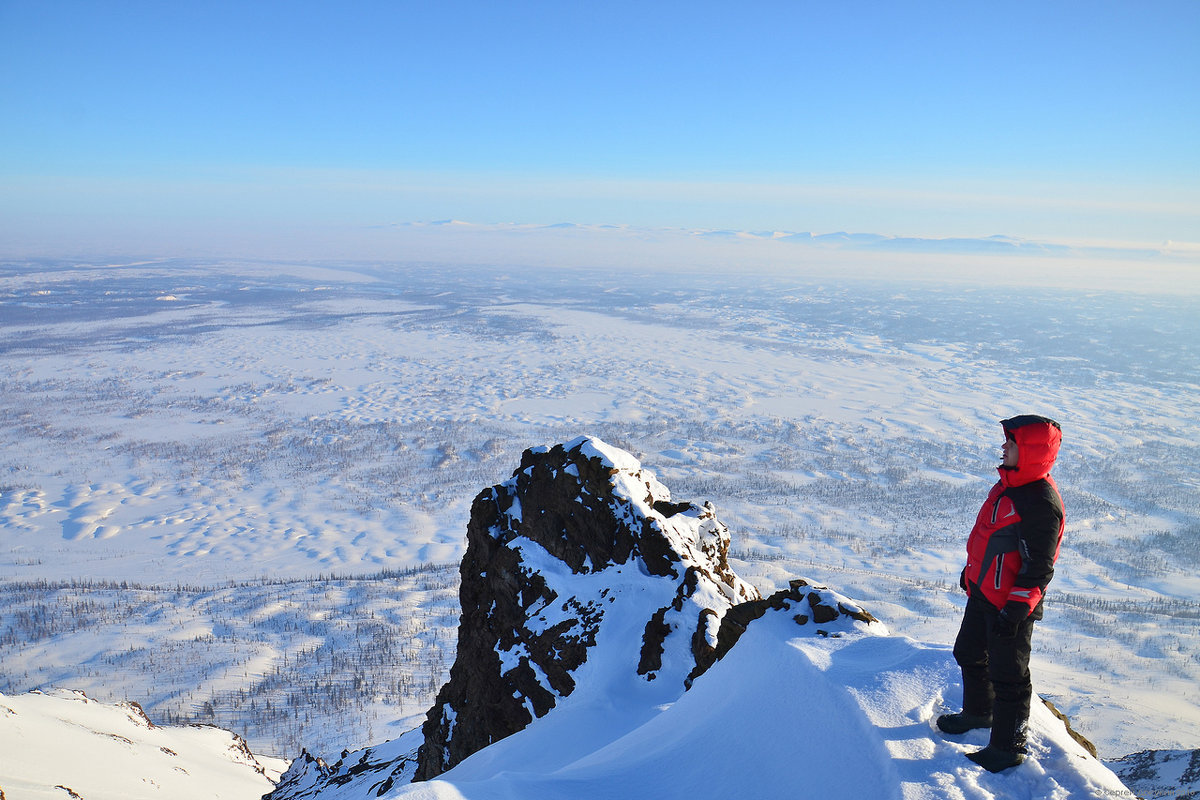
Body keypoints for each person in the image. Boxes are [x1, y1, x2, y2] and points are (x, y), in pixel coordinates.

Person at [937, 414, 1065, 772]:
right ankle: (980, 712)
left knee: (1010, 676)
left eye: (1010, 443)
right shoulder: (1009, 485)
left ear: (1029, 452)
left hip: (1011, 606)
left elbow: (1039, 566)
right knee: (968, 652)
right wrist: (971, 573)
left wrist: (1016, 609)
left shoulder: (1039, 501)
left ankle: (1008, 748)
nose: (1002, 448)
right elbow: (991, 537)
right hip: (984, 593)